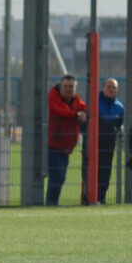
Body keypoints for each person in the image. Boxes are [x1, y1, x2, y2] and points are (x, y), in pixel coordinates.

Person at [47, 74, 88, 206]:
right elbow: (57, 111)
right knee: (57, 176)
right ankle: (51, 204)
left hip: (67, 148)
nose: (68, 89)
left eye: (71, 87)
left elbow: (84, 108)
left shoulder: (75, 99)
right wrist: (75, 115)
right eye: (65, 86)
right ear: (60, 86)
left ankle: (52, 203)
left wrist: (84, 114)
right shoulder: (53, 96)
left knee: (60, 177)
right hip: (53, 146)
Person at [90, 78, 124, 204]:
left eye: (114, 87)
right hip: (93, 146)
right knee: (90, 172)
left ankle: (101, 198)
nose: (111, 89)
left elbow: (119, 124)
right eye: (108, 87)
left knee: (105, 173)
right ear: (103, 88)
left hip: (109, 147)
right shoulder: (94, 102)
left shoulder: (119, 107)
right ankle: (88, 198)